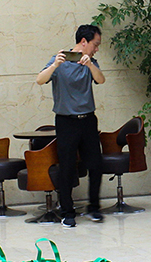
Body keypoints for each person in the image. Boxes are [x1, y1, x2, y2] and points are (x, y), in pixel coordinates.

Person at [36, 24, 106, 228]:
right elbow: (40, 80)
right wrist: (55, 66)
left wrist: (90, 65)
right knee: (66, 167)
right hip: (66, 121)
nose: (96, 49)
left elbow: (101, 80)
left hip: (88, 120)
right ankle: (67, 212)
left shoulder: (91, 62)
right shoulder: (59, 61)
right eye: (95, 44)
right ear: (83, 42)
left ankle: (94, 207)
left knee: (95, 165)